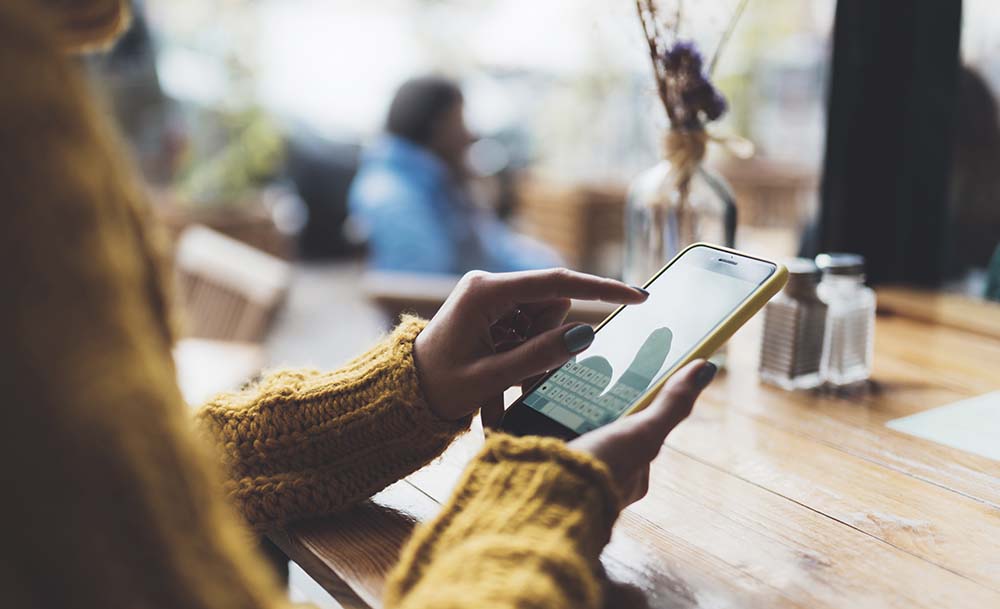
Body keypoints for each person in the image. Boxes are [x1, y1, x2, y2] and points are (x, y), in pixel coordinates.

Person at [0, 2, 717, 608]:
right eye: (461, 119)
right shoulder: (20, 106)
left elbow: (123, 491)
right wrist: (532, 504)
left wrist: (403, 390)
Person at [349, 76, 563, 274]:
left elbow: (492, 248)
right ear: (435, 126)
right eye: (459, 120)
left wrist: (548, 266)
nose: (469, 134)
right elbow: (420, 287)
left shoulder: (436, 181)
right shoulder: (393, 197)